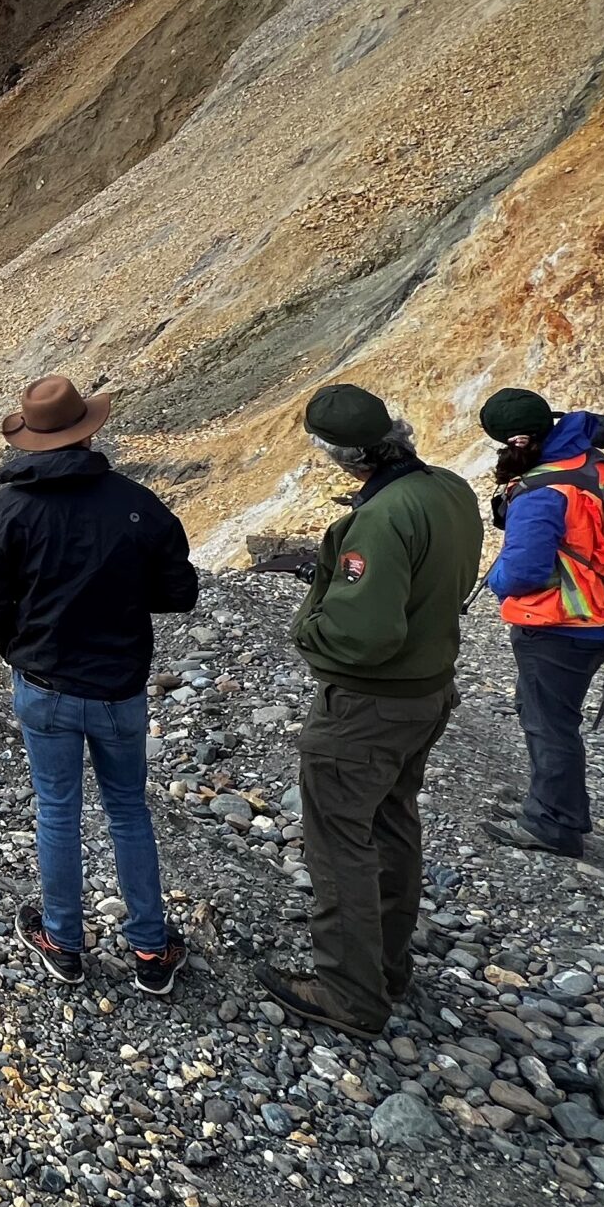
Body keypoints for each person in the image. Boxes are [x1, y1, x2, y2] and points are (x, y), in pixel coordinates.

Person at [258, 384, 485, 1039]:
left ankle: (350, 995)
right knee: (390, 822)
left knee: (339, 843)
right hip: (425, 693)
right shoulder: (448, 489)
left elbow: (367, 633)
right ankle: (387, 965)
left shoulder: (382, 519)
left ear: (338, 454)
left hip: (368, 706)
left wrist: (310, 629)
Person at [0, 374, 200, 995]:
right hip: (119, 686)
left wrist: (19, 653)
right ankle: (152, 951)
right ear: (89, 431)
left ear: (31, 441)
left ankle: (63, 941)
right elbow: (180, 592)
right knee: (128, 808)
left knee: (57, 810)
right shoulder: (135, 503)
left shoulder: (10, 509)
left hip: (44, 681)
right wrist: (124, 595)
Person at [474, 388, 604, 859]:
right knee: (550, 713)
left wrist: (496, 580)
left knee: (549, 720)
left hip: (565, 624)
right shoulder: (595, 464)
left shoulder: (541, 492)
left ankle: (554, 823)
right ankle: (548, 802)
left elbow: (525, 571)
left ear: (513, 441)